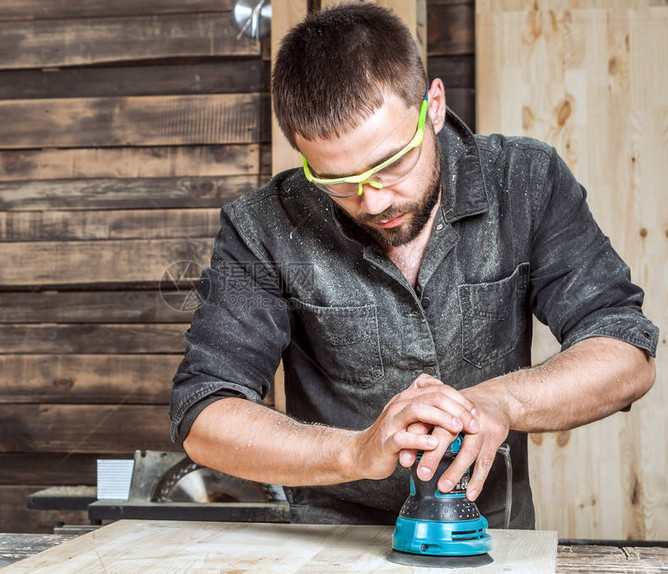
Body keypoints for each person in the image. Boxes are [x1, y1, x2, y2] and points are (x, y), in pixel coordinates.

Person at [168, 3, 657, 528]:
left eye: (392, 163)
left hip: (489, 539)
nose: (373, 201)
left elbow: (626, 351)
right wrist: (356, 452)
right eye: (339, 182)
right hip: (329, 547)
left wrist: (503, 400)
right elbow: (203, 413)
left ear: (435, 105)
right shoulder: (262, 226)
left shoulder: (527, 180)